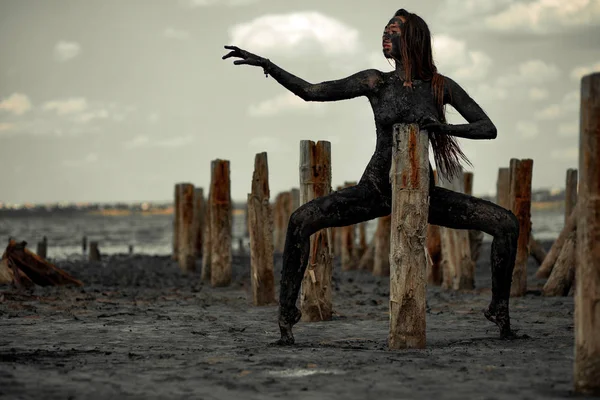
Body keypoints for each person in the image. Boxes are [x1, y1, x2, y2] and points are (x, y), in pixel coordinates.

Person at [222, 8, 519, 345]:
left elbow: (487, 127)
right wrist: (267, 65)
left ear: (413, 39)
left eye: (394, 30)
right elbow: (311, 91)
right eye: (385, 30)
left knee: (506, 224)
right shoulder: (375, 81)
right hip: (375, 189)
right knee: (300, 220)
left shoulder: (440, 86)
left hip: (423, 194)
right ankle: (287, 315)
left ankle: (499, 309)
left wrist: (444, 127)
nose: (386, 35)